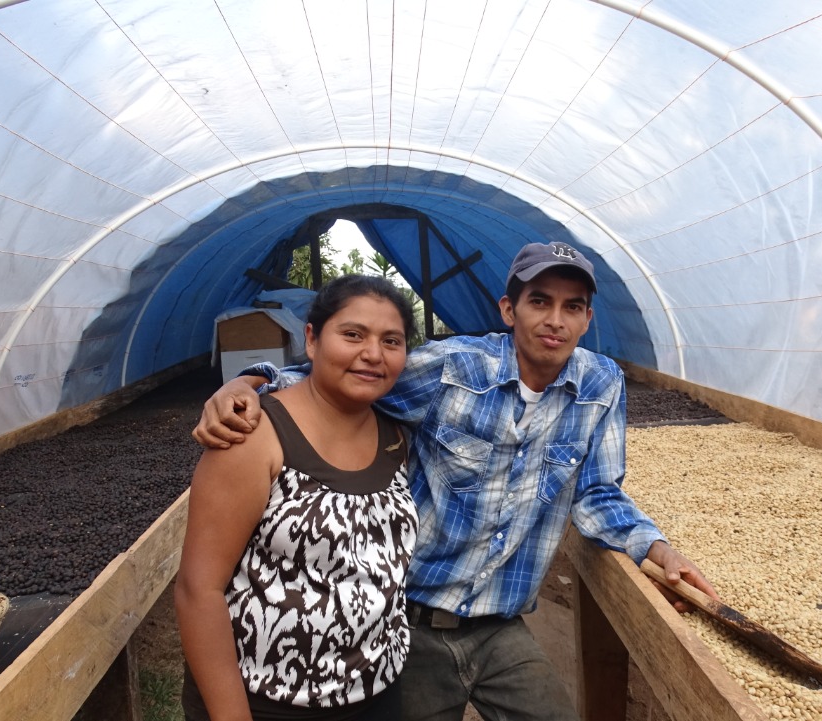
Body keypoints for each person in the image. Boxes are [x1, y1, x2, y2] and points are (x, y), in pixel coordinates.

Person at [193, 241, 718, 721]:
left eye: (573, 306)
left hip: (500, 625)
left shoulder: (601, 386)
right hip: (410, 621)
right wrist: (249, 382)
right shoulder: (453, 369)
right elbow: (354, 377)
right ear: (509, 310)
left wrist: (656, 548)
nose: (555, 320)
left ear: (587, 319)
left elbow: (599, 491)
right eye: (539, 301)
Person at [176, 275, 419, 721]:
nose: (373, 353)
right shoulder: (255, 436)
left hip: (376, 693)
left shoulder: (396, 437)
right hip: (270, 703)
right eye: (353, 334)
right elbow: (198, 591)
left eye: (391, 341)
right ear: (311, 339)